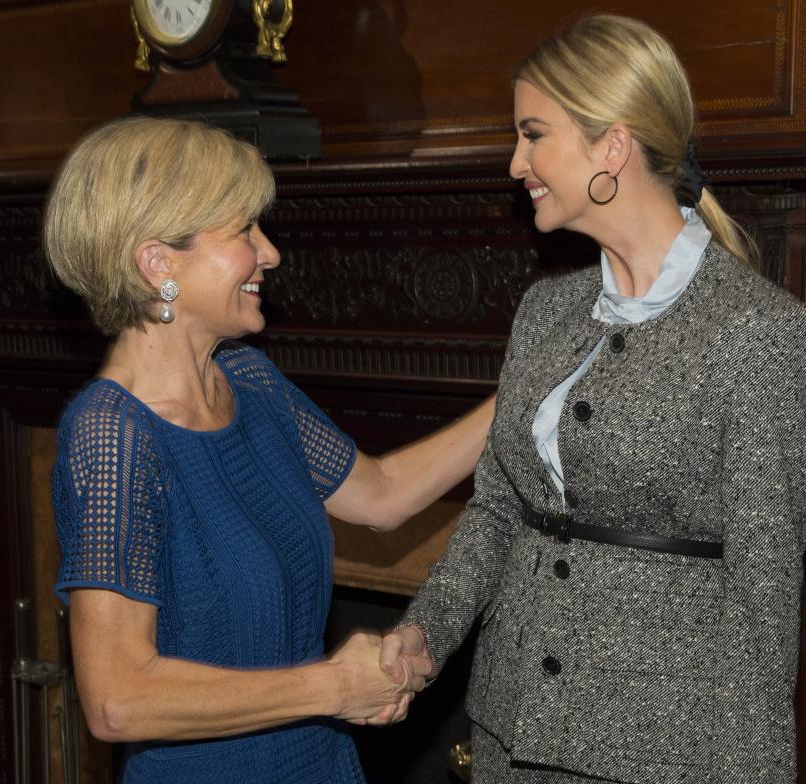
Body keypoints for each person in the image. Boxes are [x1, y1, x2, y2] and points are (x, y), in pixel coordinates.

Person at [380, 14, 806, 784]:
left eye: (533, 134)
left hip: (660, 754)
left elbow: (765, 609)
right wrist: (429, 627)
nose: (515, 162)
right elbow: (497, 510)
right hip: (506, 731)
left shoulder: (764, 336)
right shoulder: (544, 313)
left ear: (612, 147)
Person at [43, 116, 490, 783]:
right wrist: (335, 687)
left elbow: (382, 495)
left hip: (322, 766)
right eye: (244, 231)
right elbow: (117, 699)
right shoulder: (112, 435)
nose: (271, 252)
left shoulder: (251, 381)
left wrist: (526, 393)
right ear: (157, 262)